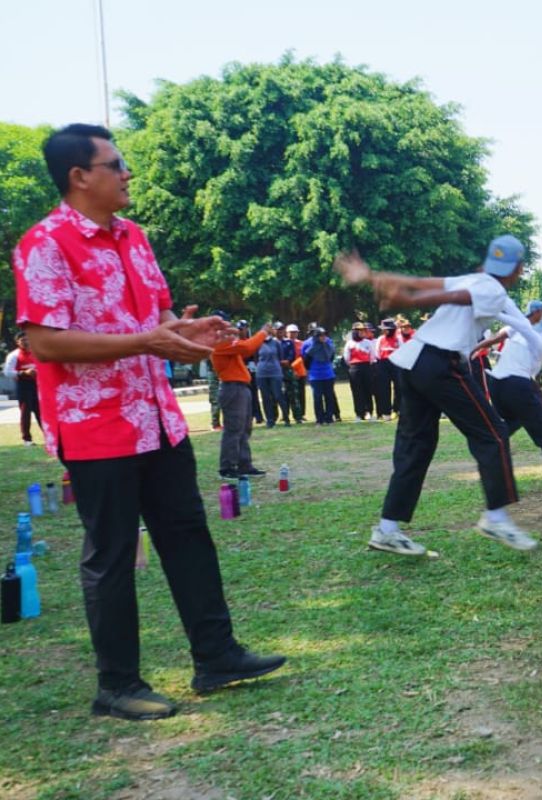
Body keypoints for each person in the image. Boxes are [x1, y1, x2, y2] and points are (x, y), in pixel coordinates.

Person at [12, 123, 283, 720]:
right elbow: (46, 342)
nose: (127, 173)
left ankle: (216, 656)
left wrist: (189, 333)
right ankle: (117, 685)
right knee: (110, 554)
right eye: (116, 163)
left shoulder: (134, 237)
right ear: (80, 176)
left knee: (187, 536)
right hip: (96, 426)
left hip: (157, 418)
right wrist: (149, 340)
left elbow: (157, 319)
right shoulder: (45, 244)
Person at [335, 235, 539, 554]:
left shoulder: (474, 278)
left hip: (413, 363)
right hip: (439, 363)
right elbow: (459, 298)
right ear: (518, 268)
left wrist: (371, 276)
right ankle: (496, 517)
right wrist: (406, 301)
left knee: (416, 446)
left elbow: (418, 282)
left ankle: (387, 529)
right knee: (493, 434)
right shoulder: (493, 288)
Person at [475, 312, 542, 493]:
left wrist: (477, 347)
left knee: (511, 423)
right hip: (516, 385)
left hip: (497, 383)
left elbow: (502, 335)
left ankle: (492, 459)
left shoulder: (519, 329)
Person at [212, 316, 270, 479]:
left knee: (244, 428)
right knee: (234, 429)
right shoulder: (220, 342)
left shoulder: (227, 342)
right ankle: (227, 467)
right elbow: (247, 348)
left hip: (240, 387)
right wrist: (263, 333)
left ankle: (244, 464)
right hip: (233, 388)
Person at [4, 331, 42, 445]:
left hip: (38, 385)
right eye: (23, 340)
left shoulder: (37, 352)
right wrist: (23, 373)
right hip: (24, 385)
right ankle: (27, 439)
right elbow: (7, 372)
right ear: (18, 342)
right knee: (26, 412)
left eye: (27, 339)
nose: (26, 342)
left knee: (42, 412)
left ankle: (49, 437)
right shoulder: (14, 355)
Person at [256, 322, 289, 428]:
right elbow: (255, 358)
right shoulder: (258, 343)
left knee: (278, 395)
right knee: (266, 397)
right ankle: (270, 420)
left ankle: (286, 418)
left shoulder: (276, 343)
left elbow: (280, 357)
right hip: (262, 373)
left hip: (275, 372)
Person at [302, 327, 337, 425]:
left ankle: (329, 418)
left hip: (328, 374)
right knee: (317, 398)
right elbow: (306, 360)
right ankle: (319, 419)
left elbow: (331, 356)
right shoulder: (311, 347)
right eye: (321, 335)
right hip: (315, 376)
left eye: (324, 335)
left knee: (329, 397)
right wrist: (311, 371)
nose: (323, 337)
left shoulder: (329, 344)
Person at [372, 318, 403, 420]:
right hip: (383, 364)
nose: (384, 331)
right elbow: (376, 353)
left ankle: (397, 409)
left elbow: (402, 350)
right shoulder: (380, 339)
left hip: (396, 363)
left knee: (398, 387)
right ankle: (386, 412)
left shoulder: (398, 339)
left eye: (386, 329)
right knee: (384, 388)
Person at [344, 322, 375, 421]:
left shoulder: (368, 343)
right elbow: (346, 358)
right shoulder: (350, 343)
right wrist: (353, 365)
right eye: (360, 331)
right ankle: (359, 414)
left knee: (368, 390)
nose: (362, 332)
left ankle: (369, 412)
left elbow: (372, 356)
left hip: (366, 367)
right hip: (354, 368)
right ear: (355, 332)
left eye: (363, 330)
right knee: (357, 392)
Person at [284, 324, 308, 423]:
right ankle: (286, 413)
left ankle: (301, 413)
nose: (293, 334)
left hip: (300, 370)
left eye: (295, 332)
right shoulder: (284, 343)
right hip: (287, 370)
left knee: (301, 393)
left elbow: (303, 357)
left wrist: (294, 367)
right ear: (287, 333)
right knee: (287, 393)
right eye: (291, 332)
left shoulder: (301, 344)